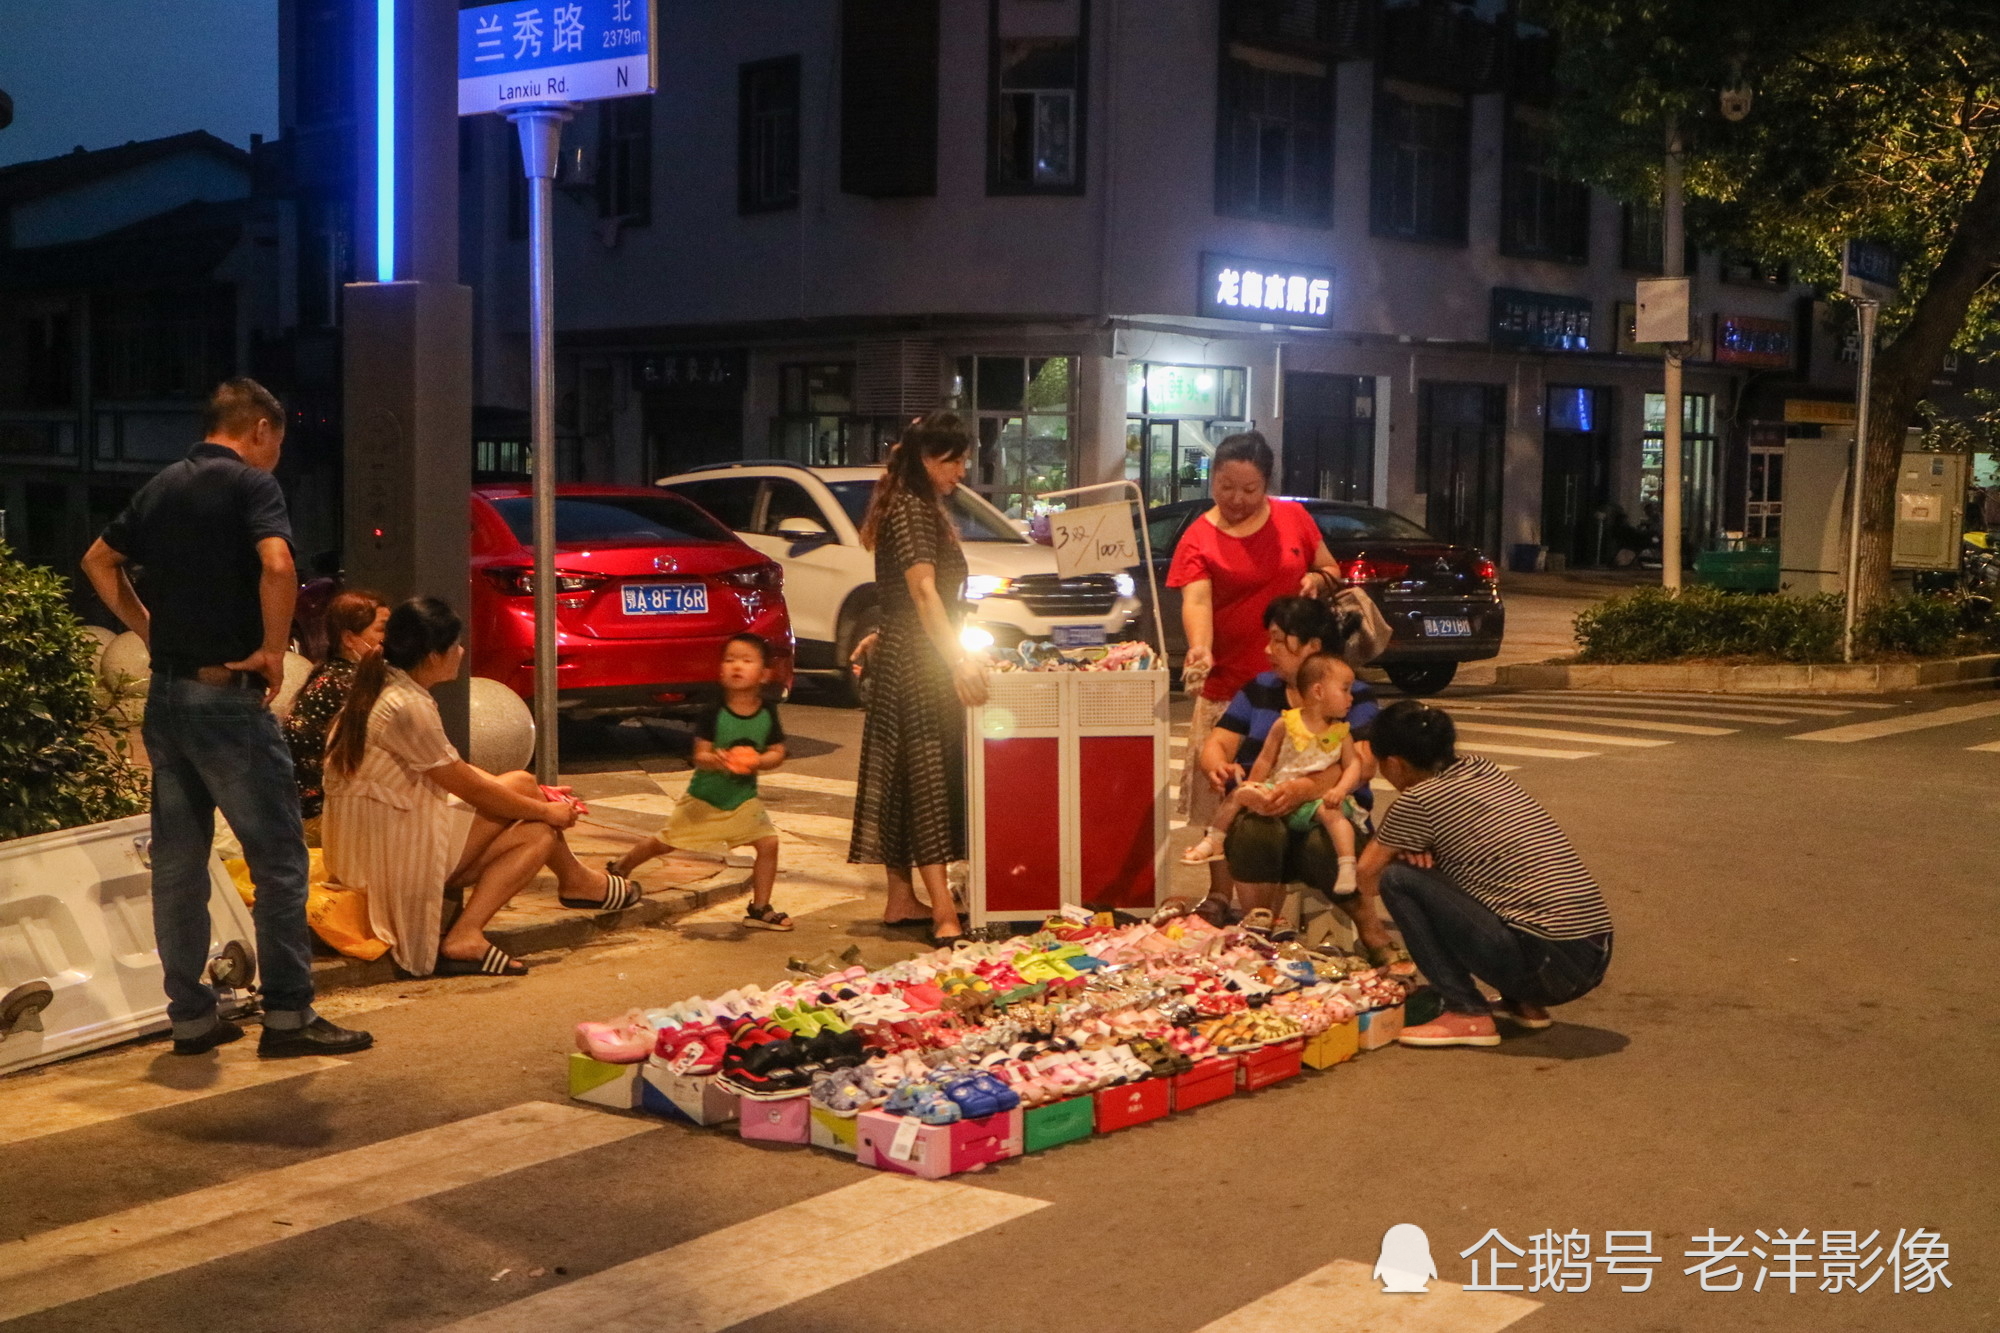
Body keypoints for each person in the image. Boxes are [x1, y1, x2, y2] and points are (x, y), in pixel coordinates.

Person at [79, 377, 372, 1058]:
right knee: (279, 859)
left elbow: (97, 560)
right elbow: (278, 565)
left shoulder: (162, 486)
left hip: (168, 697)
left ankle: (191, 1016)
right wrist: (273, 651)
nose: (275, 455)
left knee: (179, 863)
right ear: (261, 429)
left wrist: (148, 629)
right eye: (278, 442)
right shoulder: (251, 486)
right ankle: (290, 1018)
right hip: (226, 700)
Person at [322, 597, 640, 978]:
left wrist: (538, 794)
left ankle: (576, 881)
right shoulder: (407, 705)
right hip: (386, 860)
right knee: (539, 832)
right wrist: (545, 810)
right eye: (455, 644)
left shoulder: (384, 684)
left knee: (523, 783)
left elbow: (453, 768)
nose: (461, 651)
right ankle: (469, 934)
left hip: (368, 844)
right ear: (433, 655)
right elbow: (467, 785)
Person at [1355, 701, 1614, 1049]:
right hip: (1591, 952)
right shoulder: (1482, 769)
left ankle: (1467, 1012)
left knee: (1398, 879)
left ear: (1395, 764)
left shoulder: (1418, 799)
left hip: (1550, 966)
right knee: (1488, 886)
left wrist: (1403, 853)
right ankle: (1523, 1004)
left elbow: (1366, 878)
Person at [1167, 432, 1343, 906]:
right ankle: (1221, 896)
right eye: (1226, 487)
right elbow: (1197, 599)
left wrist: (1317, 577)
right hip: (1231, 686)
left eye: (1250, 489)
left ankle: (1283, 899)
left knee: (1292, 796)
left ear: (1267, 483)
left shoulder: (1293, 517)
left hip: (1297, 690)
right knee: (1226, 792)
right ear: (1212, 479)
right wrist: (1200, 648)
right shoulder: (1199, 536)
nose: (1237, 499)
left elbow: (1331, 567)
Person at [847, 411, 988, 948]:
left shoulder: (911, 506)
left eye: (962, 457)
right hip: (918, 663)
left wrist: (886, 633)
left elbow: (906, 597)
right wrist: (957, 661)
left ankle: (901, 897)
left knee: (906, 780)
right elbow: (925, 593)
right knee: (927, 778)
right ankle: (945, 913)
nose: (961, 469)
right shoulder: (910, 511)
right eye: (952, 459)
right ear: (926, 460)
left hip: (906, 650)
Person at [1192, 596, 1381, 921]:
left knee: (1323, 842)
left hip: (1326, 811)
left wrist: (1306, 789)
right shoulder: (1260, 689)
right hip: (1264, 806)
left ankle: (1362, 926)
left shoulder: (1351, 695)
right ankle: (1259, 926)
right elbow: (1217, 744)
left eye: (1279, 641)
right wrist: (1218, 766)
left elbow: (1363, 764)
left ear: (1313, 646)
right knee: (1257, 831)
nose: (1268, 650)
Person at [610, 634, 794, 931]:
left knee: (768, 843)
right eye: (730, 659)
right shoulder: (714, 711)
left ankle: (759, 908)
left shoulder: (767, 711)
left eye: (747, 661)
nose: (737, 666)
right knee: (665, 842)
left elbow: (777, 752)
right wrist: (722, 759)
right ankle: (621, 867)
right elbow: (700, 756)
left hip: (742, 799)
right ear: (720, 671)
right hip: (704, 799)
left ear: (764, 674)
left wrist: (757, 761)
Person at [1182, 653, 1367, 892]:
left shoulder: (1340, 733)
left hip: (1317, 800)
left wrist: (1340, 789)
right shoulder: (1286, 723)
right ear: (1319, 692)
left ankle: (1347, 865)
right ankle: (1214, 839)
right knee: (1239, 794)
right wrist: (1254, 784)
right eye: (1345, 690)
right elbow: (1266, 759)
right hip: (1278, 789)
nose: (1350, 698)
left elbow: (1354, 765)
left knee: (1333, 816)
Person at [283, 588, 387, 838]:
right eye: (382, 629)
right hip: (320, 819)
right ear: (350, 639)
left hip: (304, 814)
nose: (391, 639)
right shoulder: (346, 685)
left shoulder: (330, 674)